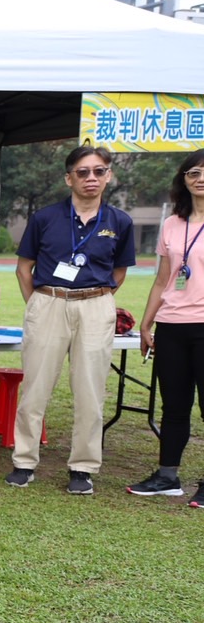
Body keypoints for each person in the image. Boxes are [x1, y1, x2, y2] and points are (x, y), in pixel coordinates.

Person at [4, 145, 135, 495]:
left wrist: (98, 299)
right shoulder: (45, 218)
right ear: (69, 178)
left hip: (95, 305)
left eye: (98, 171)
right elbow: (24, 268)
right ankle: (24, 461)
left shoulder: (119, 221)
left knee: (90, 390)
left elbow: (119, 271)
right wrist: (39, 304)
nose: (91, 178)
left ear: (108, 175)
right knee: (35, 388)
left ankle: (83, 467)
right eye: (82, 172)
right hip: (48, 302)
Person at [126, 150, 204, 507]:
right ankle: (167, 476)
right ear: (183, 180)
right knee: (174, 405)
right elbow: (162, 279)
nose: (200, 179)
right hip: (171, 325)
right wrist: (146, 322)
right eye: (193, 173)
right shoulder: (173, 223)